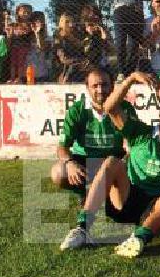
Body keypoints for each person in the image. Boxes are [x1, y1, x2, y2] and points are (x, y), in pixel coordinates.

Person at [59, 71, 160, 258]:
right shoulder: (141, 132)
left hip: (156, 207)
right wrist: (131, 79)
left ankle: (139, 240)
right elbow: (110, 107)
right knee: (113, 162)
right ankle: (82, 228)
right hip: (127, 198)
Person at [50, 68, 136, 196]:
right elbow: (62, 147)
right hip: (86, 161)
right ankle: (88, 193)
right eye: (95, 86)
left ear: (112, 86)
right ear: (87, 88)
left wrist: (125, 160)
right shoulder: (77, 110)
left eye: (104, 85)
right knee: (58, 172)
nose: (100, 90)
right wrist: (70, 163)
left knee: (137, 166)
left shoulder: (125, 108)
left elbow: (133, 144)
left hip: (114, 160)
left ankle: (108, 192)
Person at [99, 0, 148, 78]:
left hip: (136, 12)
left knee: (133, 45)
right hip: (121, 10)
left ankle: (129, 73)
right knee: (120, 41)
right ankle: (121, 72)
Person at [53, 13, 92, 84]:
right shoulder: (58, 39)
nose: (71, 24)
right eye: (67, 22)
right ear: (60, 24)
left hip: (79, 71)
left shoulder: (77, 37)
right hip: (64, 74)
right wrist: (81, 61)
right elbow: (63, 58)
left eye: (72, 22)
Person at [80, 4, 111, 71]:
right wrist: (90, 34)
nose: (96, 17)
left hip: (102, 60)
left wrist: (102, 30)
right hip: (88, 58)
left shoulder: (101, 28)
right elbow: (83, 47)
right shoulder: (81, 30)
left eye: (97, 15)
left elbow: (109, 47)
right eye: (93, 16)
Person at [26, 11, 52, 82]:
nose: (37, 24)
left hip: (42, 74)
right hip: (28, 74)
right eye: (34, 21)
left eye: (40, 21)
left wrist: (37, 33)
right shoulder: (26, 38)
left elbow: (42, 48)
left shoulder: (48, 38)